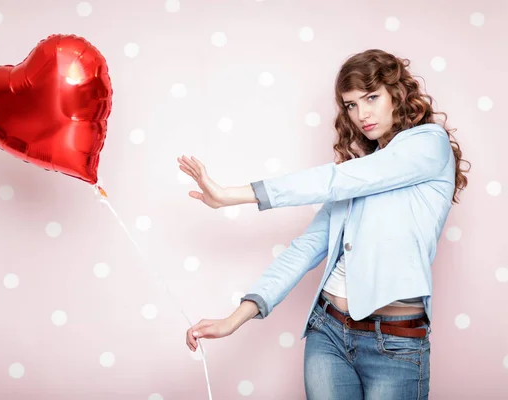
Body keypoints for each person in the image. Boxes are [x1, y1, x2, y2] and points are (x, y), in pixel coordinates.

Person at [178, 49, 470, 399]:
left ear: (398, 94)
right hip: (327, 333)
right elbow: (307, 248)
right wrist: (234, 319)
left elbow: (336, 180)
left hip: (395, 342)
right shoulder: (359, 172)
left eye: (372, 97)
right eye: (350, 105)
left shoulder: (428, 145)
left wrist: (233, 195)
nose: (362, 114)